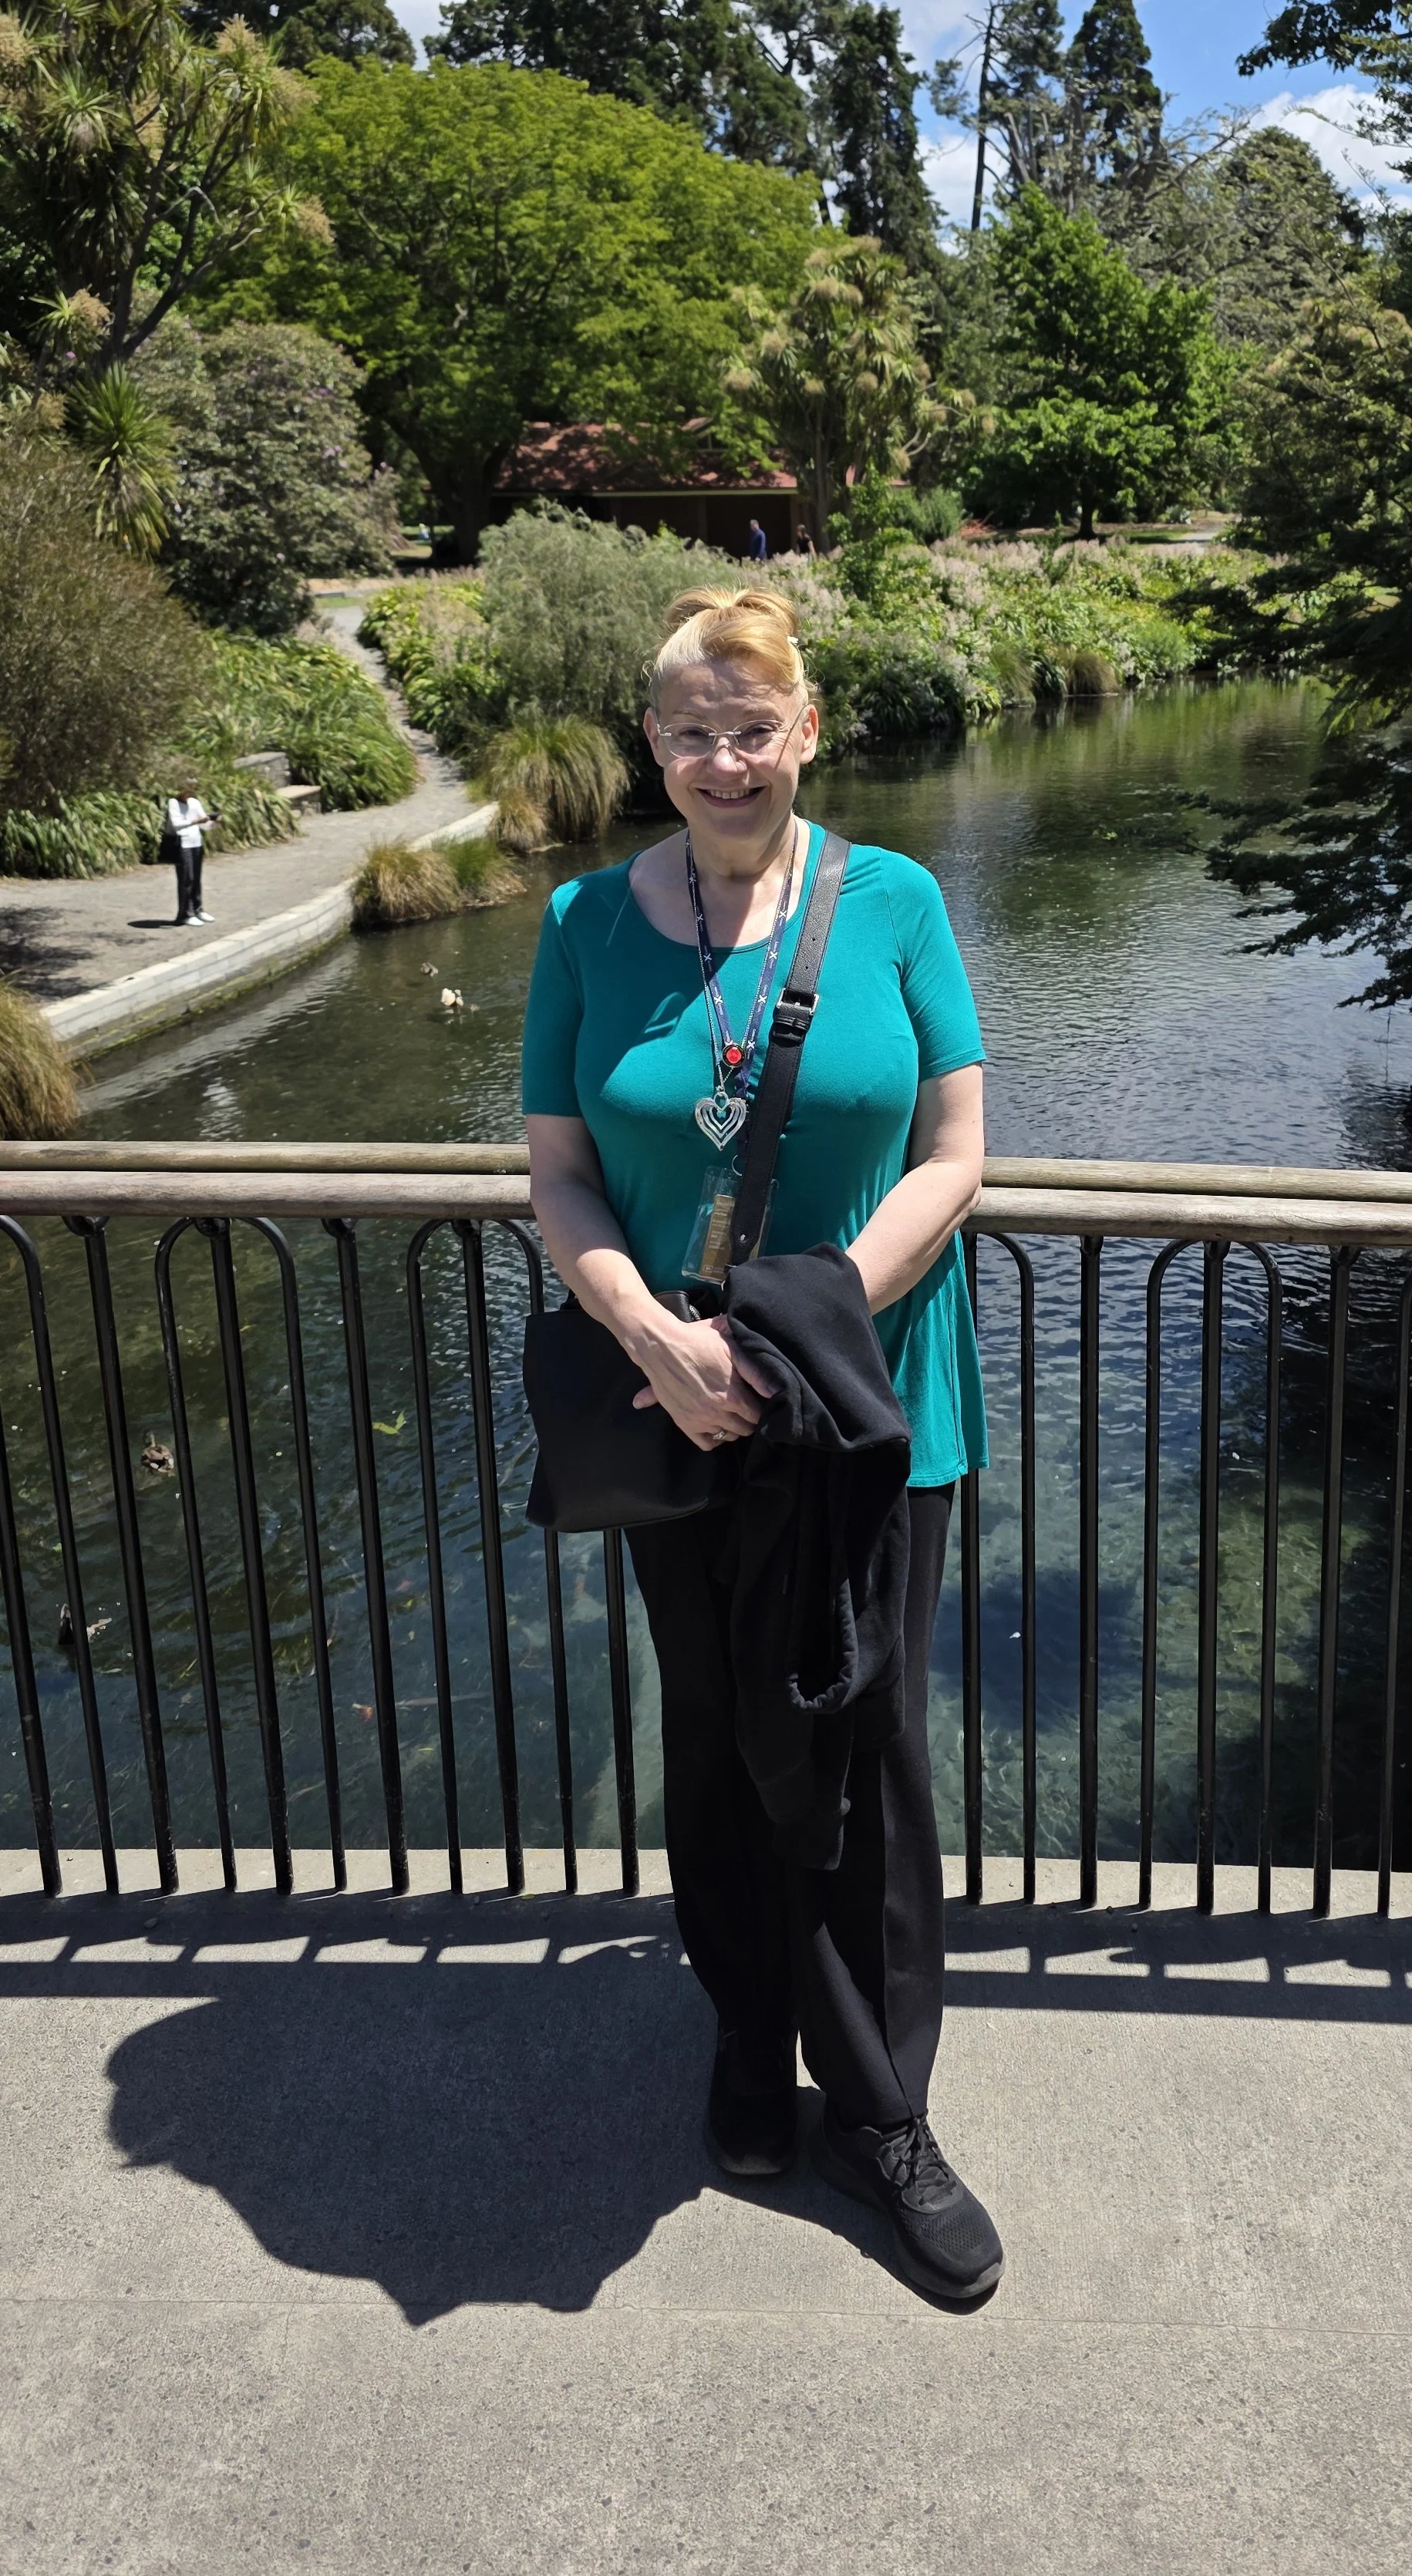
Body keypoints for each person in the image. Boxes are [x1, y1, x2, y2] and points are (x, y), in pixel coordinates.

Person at [521, 586, 1000, 2304]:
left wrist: (807, 1328)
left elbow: (954, 1151)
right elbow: (561, 1171)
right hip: (672, 1407)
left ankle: (883, 2111)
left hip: (873, 1411)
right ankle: (746, 2037)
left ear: (805, 732)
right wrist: (654, 1330)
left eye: (749, 725)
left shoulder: (894, 903)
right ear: (650, 744)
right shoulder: (584, 921)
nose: (719, 758)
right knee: (721, 1733)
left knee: (863, 1732)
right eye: (685, 730)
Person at [165, 790, 217, 924]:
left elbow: (204, 824)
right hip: (183, 844)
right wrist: (196, 821)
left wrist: (213, 822)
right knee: (187, 878)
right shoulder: (174, 803)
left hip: (196, 843)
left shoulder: (195, 802)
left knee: (197, 878)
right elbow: (177, 824)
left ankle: (198, 909)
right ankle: (185, 914)